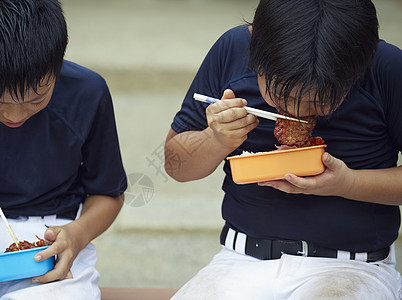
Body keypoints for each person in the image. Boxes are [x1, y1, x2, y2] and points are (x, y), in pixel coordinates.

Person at [165, 0, 402, 299]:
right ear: (253, 48)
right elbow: (175, 166)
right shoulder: (233, 48)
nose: (295, 111)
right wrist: (215, 139)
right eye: (281, 96)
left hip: (354, 267)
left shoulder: (388, 67)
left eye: (320, 103)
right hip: (240, 259)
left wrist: (349, 183)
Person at [0, 0, 126, 299]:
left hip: (51, 239)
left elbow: (108, 193)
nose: (15, 115)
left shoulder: (87, 93)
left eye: (36, 98)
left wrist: (77, 235)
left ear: (61, 52)